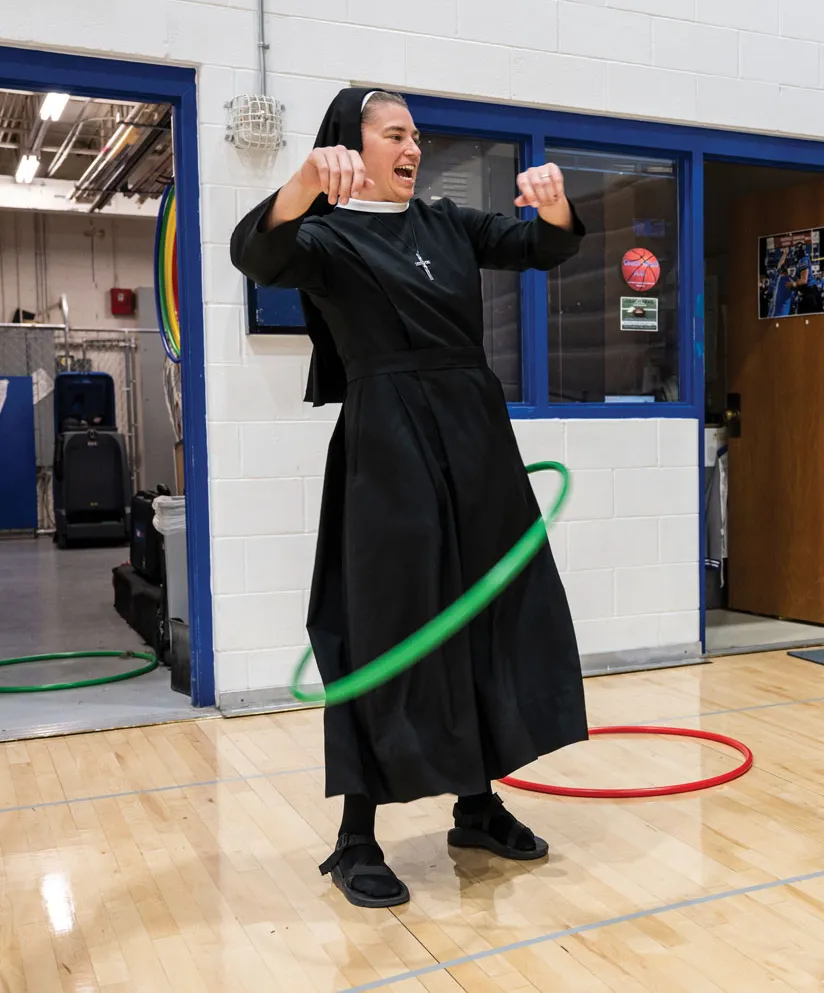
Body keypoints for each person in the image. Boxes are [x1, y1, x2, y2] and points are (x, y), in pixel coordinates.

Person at [229, 87, 589, 908]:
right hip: (387, 443)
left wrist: (557, 205)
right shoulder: (321, 235)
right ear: (348, 147)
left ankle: (477, 804)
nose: (413, 147)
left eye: (416, 135)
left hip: (476, 435)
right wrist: (301, 183)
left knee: (485, 613)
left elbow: (543, 247)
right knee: (384, 624)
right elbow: (256, 253)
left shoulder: (447, 222)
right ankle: (356, 836)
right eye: (395, 134)